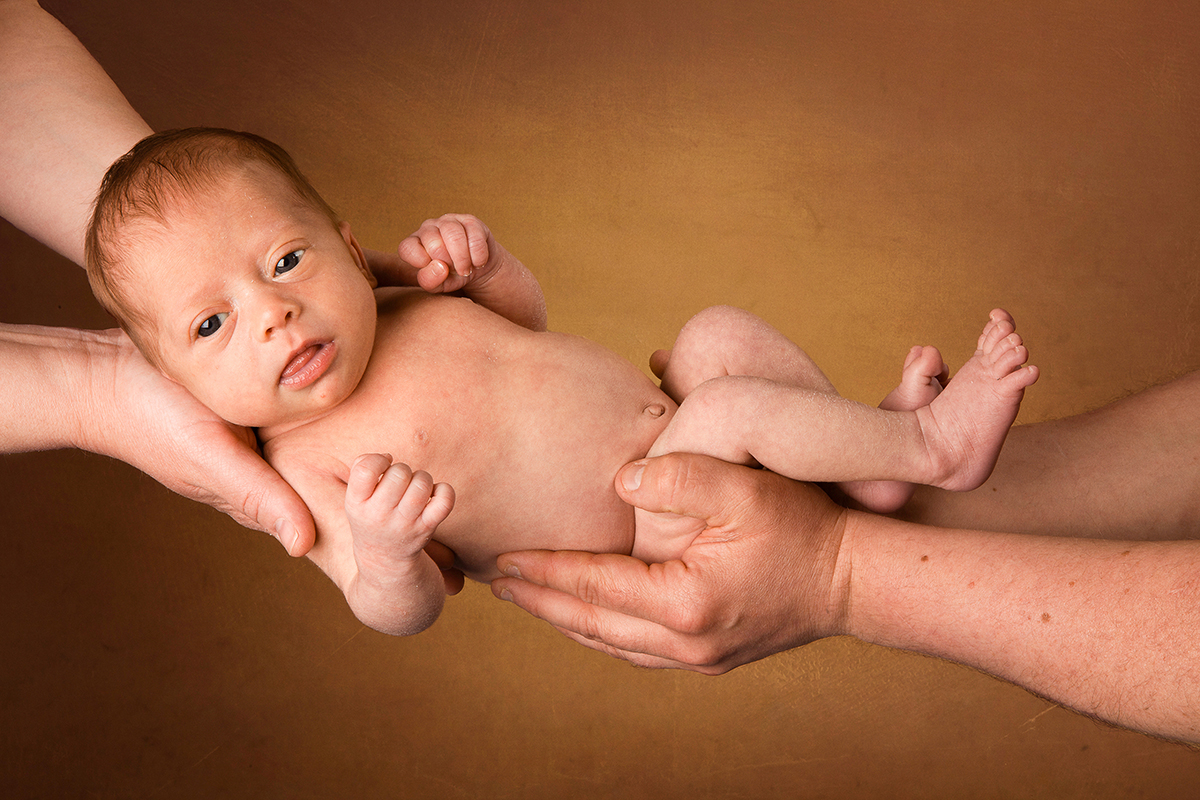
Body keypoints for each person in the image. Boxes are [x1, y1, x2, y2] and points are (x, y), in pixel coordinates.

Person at [81, 126, 1036, 634]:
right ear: (178, 385)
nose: (272, 314)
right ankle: (935, 449)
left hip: (674, 428)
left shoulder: (401, 303)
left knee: (715, 332)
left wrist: (489, 270)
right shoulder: (308, 466)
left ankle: (866, 466)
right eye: (213, 325)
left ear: (344, 242)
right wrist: (383, 553)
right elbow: (394, 614)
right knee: (732, 408)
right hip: (646, 519)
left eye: (284, 262)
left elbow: (528, 331)